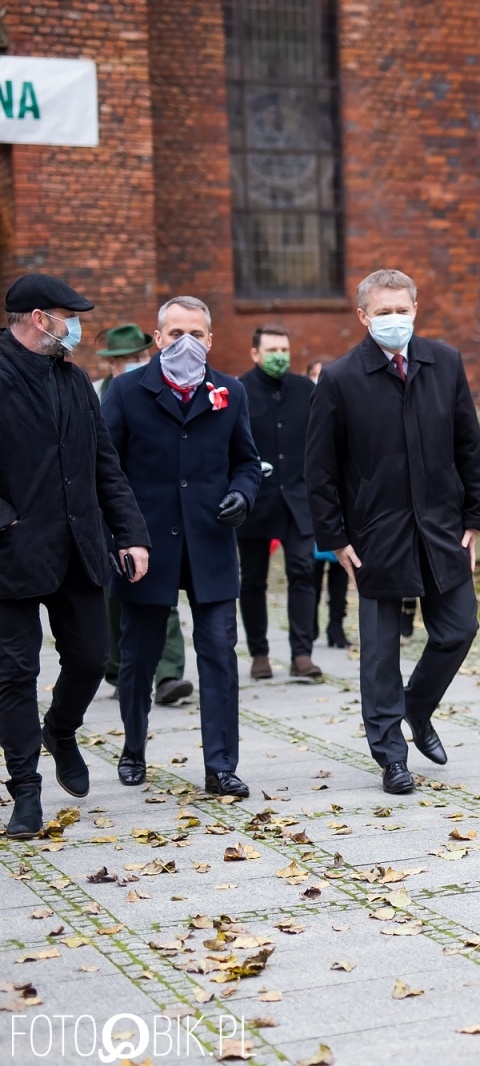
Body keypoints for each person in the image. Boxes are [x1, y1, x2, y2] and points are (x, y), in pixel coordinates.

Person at [306, 269, 480, 796]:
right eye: (382, 312)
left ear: (416, 307)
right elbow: (318, 469)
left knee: (459, 628)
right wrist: (336, 537)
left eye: (401, 309)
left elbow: (468, 446)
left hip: (441, 527)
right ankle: (390, 754)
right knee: (381, 650)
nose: (394, 319)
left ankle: (418, 706)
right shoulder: (340, 378)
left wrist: (475, 518)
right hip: (374, 534)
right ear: (363, 316)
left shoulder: (445, 362)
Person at [0, 275, 151, 838]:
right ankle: (26, 789)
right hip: (11, 552)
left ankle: (60, 730)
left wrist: (130, 533)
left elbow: (105, 466)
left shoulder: (73, 381)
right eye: (70, 315)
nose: (77, 326)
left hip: (77, 548)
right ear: (41, 318)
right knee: (14, 673)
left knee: (91, 658)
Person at [103, 296, 261, 797]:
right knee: (140, 658)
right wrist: (124, 537)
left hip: (211, 545)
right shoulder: (127, 392)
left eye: (196, 334)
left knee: (219, 654)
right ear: (158, 338)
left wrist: (242, 493)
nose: (186, 343)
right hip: (148, 549)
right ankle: (133, 749)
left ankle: (221, 765)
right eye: (176, 334)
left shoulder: (230, 391)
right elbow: (107, 470)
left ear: (210, 340)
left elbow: (246, 461)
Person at [94, 323, 191, 705]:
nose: (130, 365)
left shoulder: (161, 390)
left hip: (153, 506)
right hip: (107, 505)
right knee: (113, 593)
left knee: (160, 590)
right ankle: (119, 668)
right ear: (110, 364)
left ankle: (168, 675)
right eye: (121, 361)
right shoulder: (95, 395)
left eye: (136, 357)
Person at [236, 325, 321, 681]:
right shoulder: (239, 390)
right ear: (255, 353)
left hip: (299, 501)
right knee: (253, 580)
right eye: (271, 349)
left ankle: (302, 654)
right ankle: (259, 653)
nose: (279, 356)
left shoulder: (306, 390)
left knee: (303, 573)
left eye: (284, 349)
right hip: (257, 501)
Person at [306, 359, 349, 648]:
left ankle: (336, 625)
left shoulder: (344, 405)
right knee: (310, 570)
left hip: (342, 498)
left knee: (340, 567)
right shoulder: (304, 406)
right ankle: (309, 625)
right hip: (311, 501)